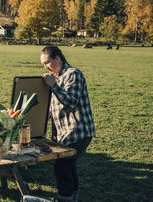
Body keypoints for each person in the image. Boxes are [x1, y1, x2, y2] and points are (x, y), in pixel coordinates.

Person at [40, 46, 95, 202]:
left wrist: (53, 86)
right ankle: (73, 195)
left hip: (79, 132)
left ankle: (65, 198)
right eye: (43, 64)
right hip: (65, 133)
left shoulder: (74, 74)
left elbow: (70, 102)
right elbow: (54, 109)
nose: (45, 67)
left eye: (47, 63)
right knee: (68, 166)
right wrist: (54, 132)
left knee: (62, 169)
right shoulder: (55, 78)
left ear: (58, 58)